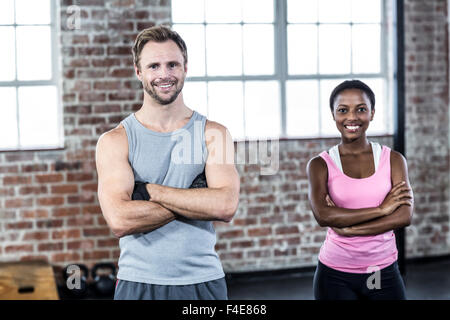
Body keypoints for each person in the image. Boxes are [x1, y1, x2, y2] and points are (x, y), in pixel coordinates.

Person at [95, 25, 240, 300]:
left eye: (173, 64)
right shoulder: (115, 141)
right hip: (137, 282)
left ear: (185, 68)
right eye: (154, 66)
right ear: (139, 72)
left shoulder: (214, 134)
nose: (165, 74)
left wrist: (150, 191)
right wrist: (197, 197)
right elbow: (120, 220)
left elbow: (225, 206)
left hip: (203, 281)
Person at [306, 80, 413, 300]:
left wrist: (350, 229)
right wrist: (382, 210)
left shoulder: (393, 160)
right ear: (333, 114)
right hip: (335, 274)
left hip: (382, 271)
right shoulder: (320, 164)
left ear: (372, 113)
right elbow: (324, 216)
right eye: (343, 110)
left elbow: (404, 215)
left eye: (361, 109)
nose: (352, 117)